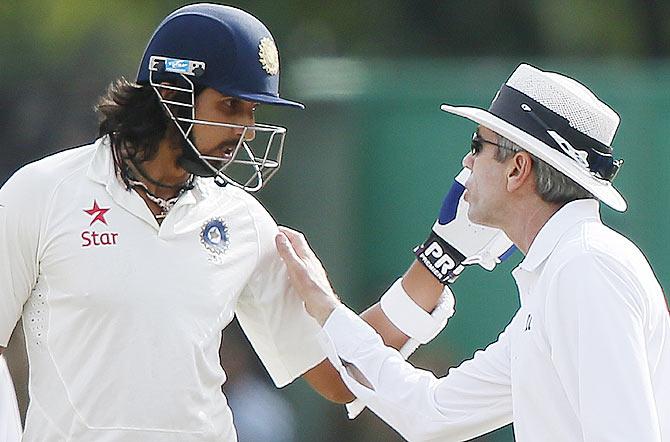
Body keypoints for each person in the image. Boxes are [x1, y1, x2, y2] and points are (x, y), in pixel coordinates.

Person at [0, 4, 362, 441]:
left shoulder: (241, 219)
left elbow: (339, 378)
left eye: (252, 110)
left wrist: (437, 262)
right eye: (230, 105)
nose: (246, 130)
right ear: (170, 92)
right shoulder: (42, 192)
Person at [275, 63, 670, 441]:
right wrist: (327, 310)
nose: (467, 161)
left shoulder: (584, 266)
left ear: (518, 169)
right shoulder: (564, 269)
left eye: (477, 145)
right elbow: (431, 415)